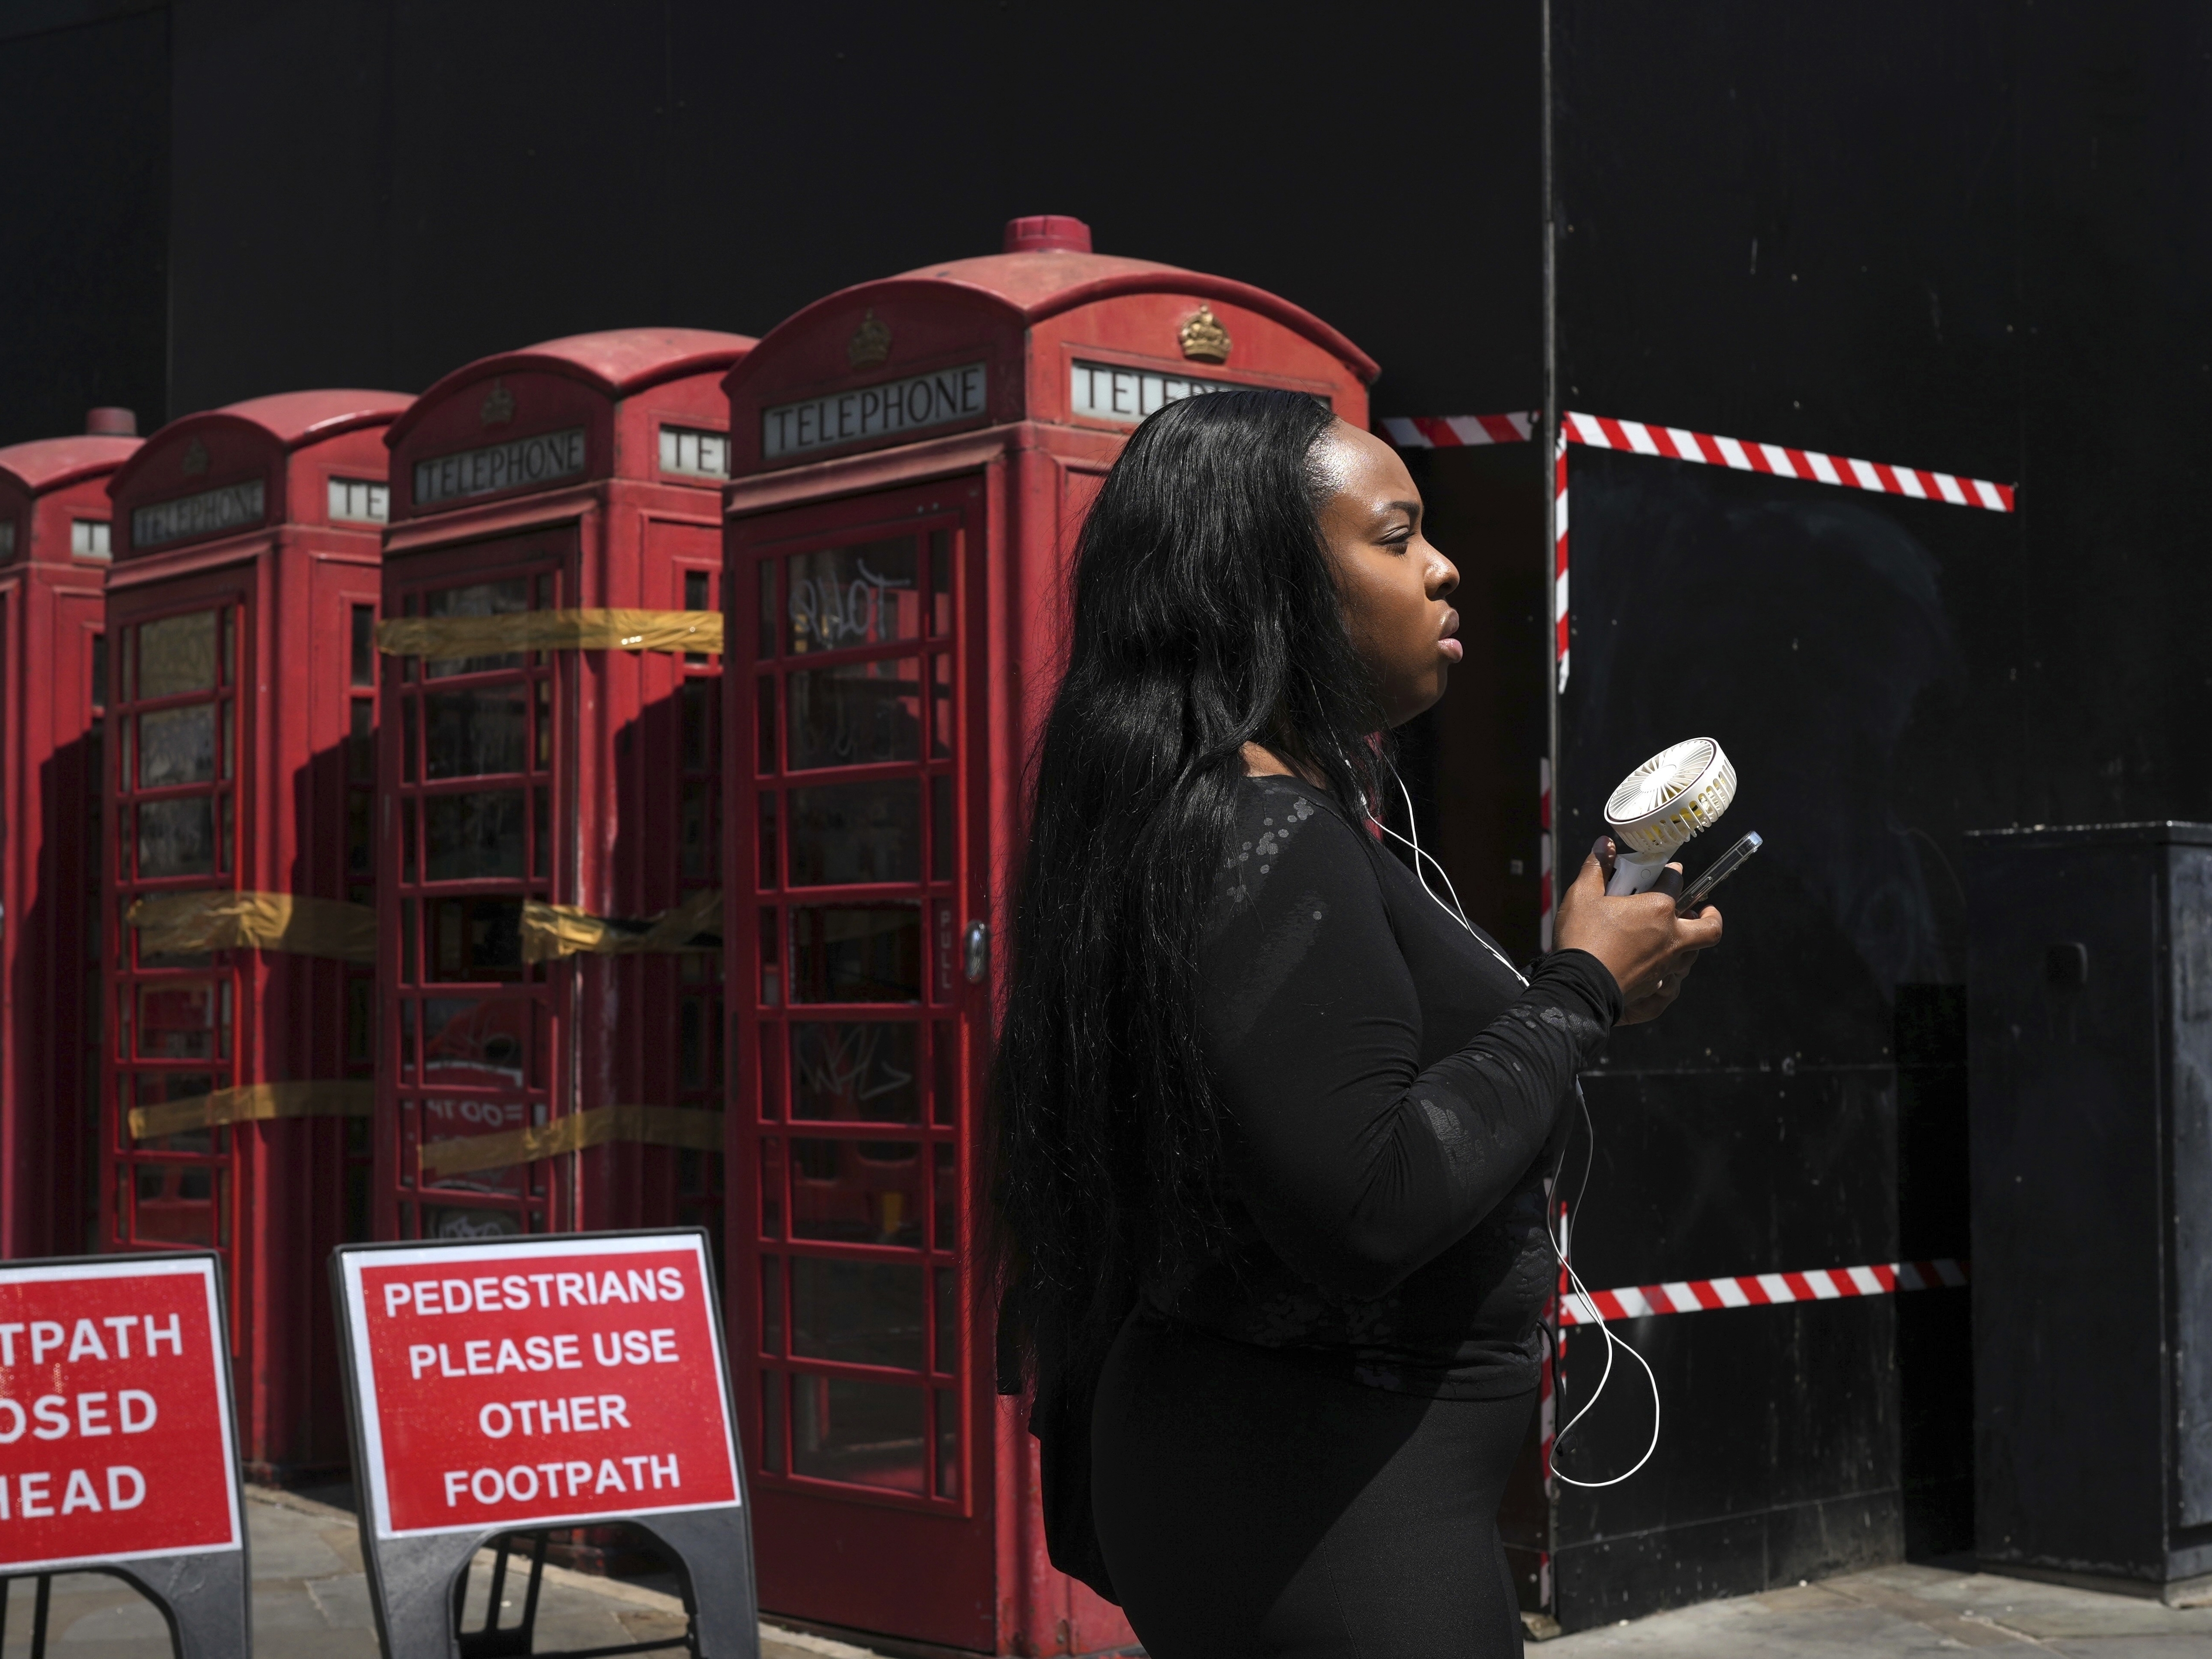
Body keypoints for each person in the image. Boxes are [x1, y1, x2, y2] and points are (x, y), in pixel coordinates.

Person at [987, 389, 1722, 1658]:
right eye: (1395, 538)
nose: (1444, 572)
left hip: (1285, 1481)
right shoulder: (1262, 830)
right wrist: (1577, 990)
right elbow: (1366, 1201)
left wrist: (1587, 978)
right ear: (1264, 584)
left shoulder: (1207, 811)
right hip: (1327, 1512)